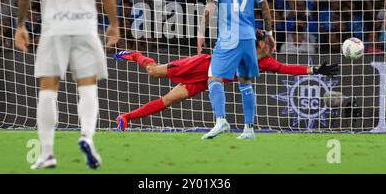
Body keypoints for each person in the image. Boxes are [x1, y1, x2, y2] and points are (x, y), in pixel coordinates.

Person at [14, 0, 120, 170]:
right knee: (87, 86)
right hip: (85, 26)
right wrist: (114, 25)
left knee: (48, 89)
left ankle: (47, 153)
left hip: (53, 27)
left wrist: (21, 25)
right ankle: (86, 136)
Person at [114, 30, 338, 131]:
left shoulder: (266, 62)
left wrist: (315, 69)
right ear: (260, 44)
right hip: (201, 65)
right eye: (270, 42)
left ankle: (126, 117)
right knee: (153, 71)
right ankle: (134, 54)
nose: (273, 46)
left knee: (169, 100)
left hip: (206, 80)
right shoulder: (242, 45)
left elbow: (286, 68)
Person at [197, 0, 275, 140]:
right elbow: (265, 8)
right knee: (246, 82)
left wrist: (201, 32)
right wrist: (269, 33)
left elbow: (210, 8)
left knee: (214, 77)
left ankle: (221, 120)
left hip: (229, 37)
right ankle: (249, 129)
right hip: (249, 37)